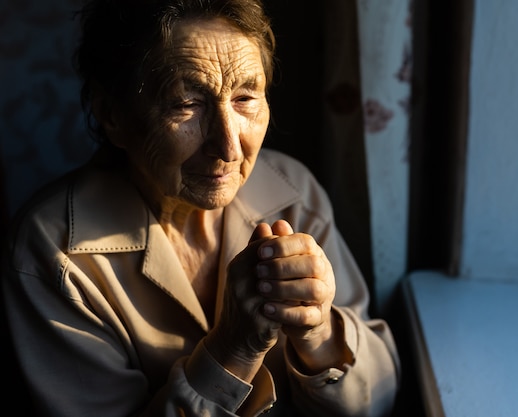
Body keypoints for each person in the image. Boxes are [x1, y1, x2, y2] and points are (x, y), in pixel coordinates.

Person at [1, 0, 400, 416]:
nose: (228, 147)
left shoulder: (292, 191)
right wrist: (235, 349)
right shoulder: (51, 252)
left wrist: (320, 333)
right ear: (112, 114)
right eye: (186, 104)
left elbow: (384, 396)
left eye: (246, 98)